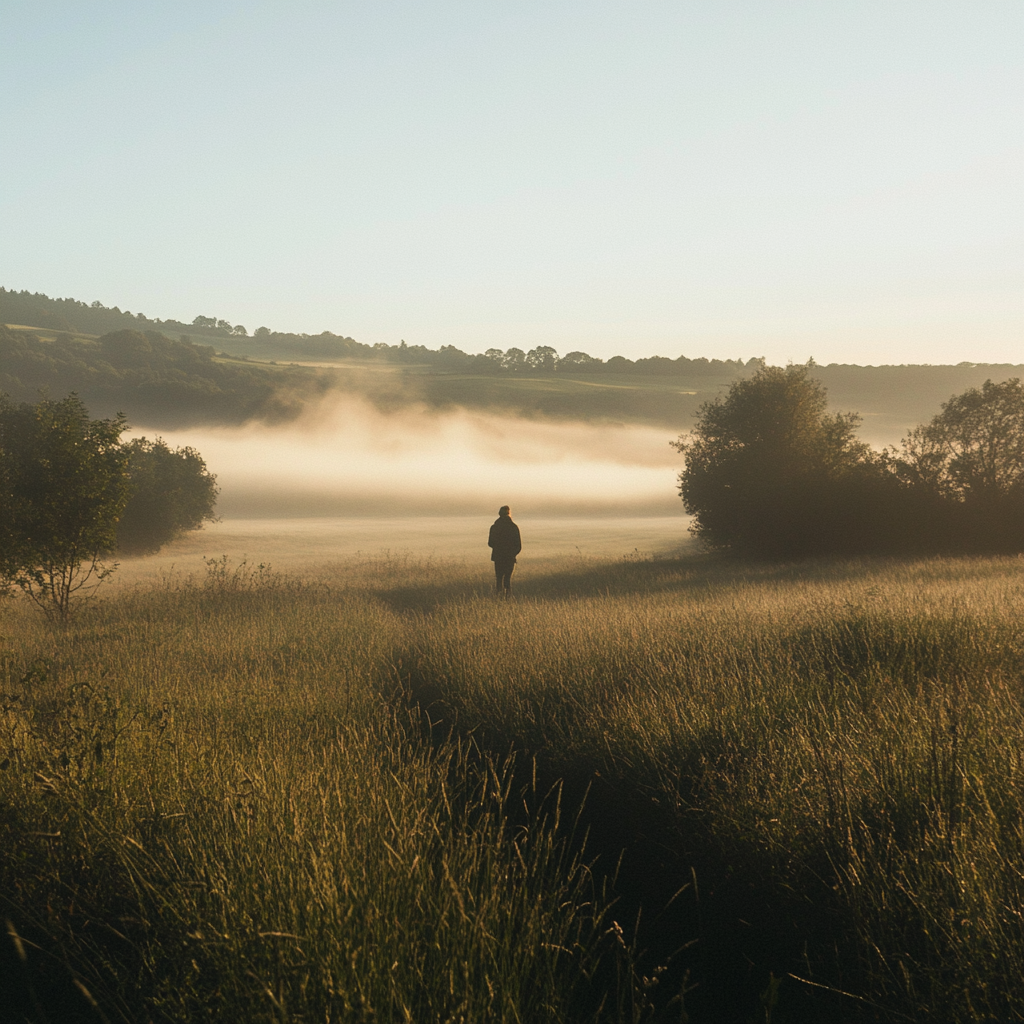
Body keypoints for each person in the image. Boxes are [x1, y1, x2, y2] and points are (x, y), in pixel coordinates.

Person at [488, 505, 521, 597]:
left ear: (499, 514)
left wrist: (498, 548)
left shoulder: (494, 527)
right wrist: (512, 554)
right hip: (510, 558)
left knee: (499, 579)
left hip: (498, 557)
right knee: (507, 580)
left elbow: (490, 543)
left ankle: (498, 597)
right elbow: (518, 546)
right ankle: (508, 598)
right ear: (509, 514)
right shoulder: (514, 527)